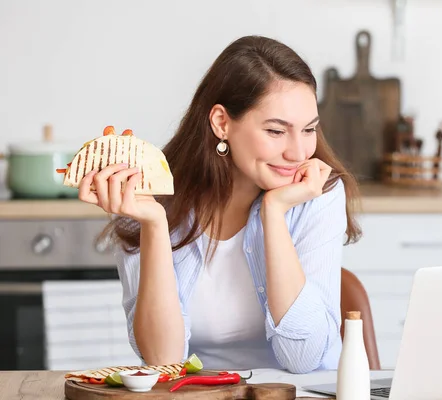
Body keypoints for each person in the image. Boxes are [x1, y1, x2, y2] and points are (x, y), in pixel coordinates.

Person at [79, 35, 362, 374]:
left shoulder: (317, 194)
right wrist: (153, 225)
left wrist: (274, 213)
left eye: (309, 129)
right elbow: (161, 361)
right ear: (221, 123)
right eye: (276, 131)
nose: (299, 153)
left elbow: (303, 360)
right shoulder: (146, 197)